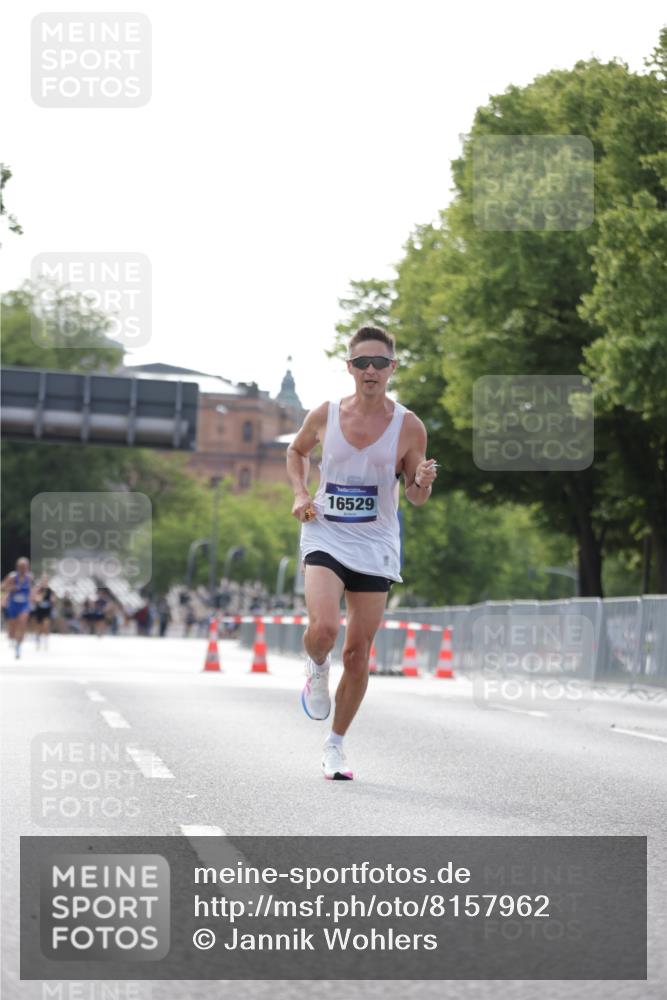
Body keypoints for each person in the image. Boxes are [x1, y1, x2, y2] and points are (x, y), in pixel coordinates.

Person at [286, 326, 437, 780]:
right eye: (361, 363)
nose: (370, 371)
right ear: (349, 368)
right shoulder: (326, 414)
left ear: (392, 368)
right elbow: (296, 452)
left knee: (357, 653)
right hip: (325, 531)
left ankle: (335, 746)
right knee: (325, 627)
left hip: (375, 543)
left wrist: (422, 482)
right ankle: (315, 666)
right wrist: (299, 492)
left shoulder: (409, 426)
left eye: (379, 363)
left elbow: (413, 496)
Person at [1, 557, 35, 659]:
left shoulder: (29, 577)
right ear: (17, 567)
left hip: (24, 604)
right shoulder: (12, 576)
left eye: (25, 567)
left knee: (22, 622)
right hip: (13, 604)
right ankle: (13, 638)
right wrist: (11, 588)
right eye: (21, 567)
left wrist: (33, 599)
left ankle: (18, 647)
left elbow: (32, 590)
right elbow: (2, 587)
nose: (23, 569)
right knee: (13, 627)